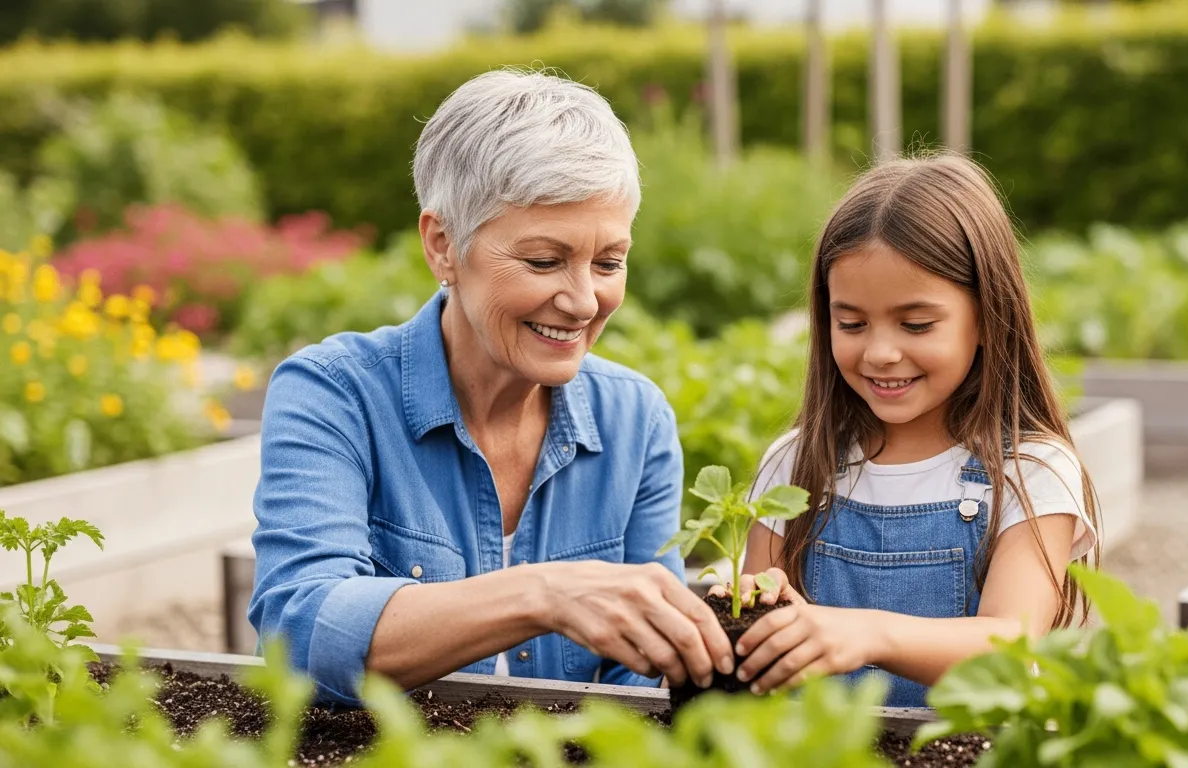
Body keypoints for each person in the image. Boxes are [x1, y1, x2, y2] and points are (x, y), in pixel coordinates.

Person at [247, 69, 733, 707]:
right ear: (444, 245)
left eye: (609, 262)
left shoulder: (633, 418)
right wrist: (544, 595)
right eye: (543, 260)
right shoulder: (334, 395)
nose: (584, 300)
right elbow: (299, 630)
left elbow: (640, 679)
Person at [717, 155, 1101, 708]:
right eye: (850, 323)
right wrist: (757, 605)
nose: (880, 353)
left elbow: (1009, 645)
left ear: (990, 318)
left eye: (916, 324)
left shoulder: (1029, 471)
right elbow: (754, 649)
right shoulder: (796, 463)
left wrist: (866, 632)